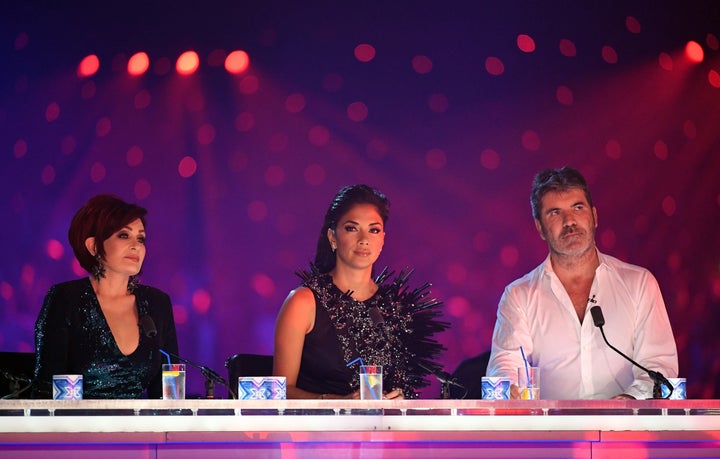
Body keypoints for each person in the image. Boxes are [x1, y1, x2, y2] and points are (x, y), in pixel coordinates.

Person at [487, 166, 678, 400]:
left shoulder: (639, 284)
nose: (569, 221)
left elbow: (659, 365)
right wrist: (510, 390)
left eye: (578, 208)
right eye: (555, 213)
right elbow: (506, 363)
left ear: (594, 216)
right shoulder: (519, 295)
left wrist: (629, 401)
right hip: (549, 431)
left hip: (627, 430)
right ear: (540, 228)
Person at [273, 184, 449, 399]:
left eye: (373, 230)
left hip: (384, 430)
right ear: (332, 237)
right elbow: (278, 392)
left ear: (383, 239)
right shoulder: (303, 302)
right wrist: (337, 403)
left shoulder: (396, 308)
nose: (364, 239)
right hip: (318, 430)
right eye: (352, 228)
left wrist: (399, 398)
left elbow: (405, 385)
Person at [32, 194, 179, 399]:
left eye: (141, 238)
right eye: (124, 236)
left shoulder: (157, 303)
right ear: (93, 246)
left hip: (142, 430)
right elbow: (45, 389)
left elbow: (167, 393)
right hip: (75, 428)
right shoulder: (65, 299)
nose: (136, 246)